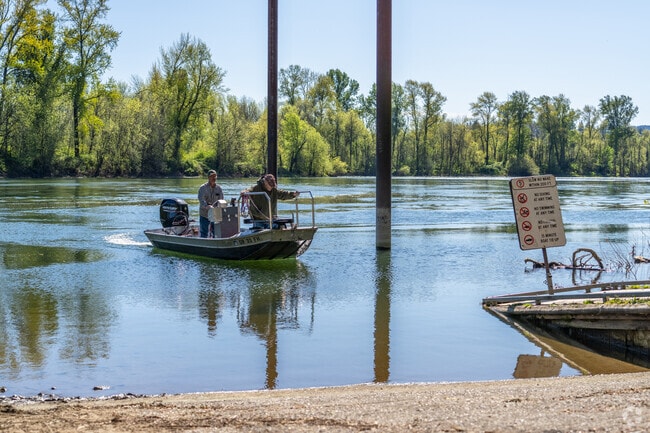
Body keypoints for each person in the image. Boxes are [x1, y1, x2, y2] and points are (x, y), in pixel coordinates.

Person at [198, 169, 224, 237]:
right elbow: (201, 200)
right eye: (212, 176)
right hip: (204, 214)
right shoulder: (202, 188)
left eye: (215, 176)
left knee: (216, 232)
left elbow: (221, 200)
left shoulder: (219, 188)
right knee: (204, 232)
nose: (214, 178)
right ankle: (203, 244)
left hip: (215, 214)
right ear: (208, 177)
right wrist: (207, 206)